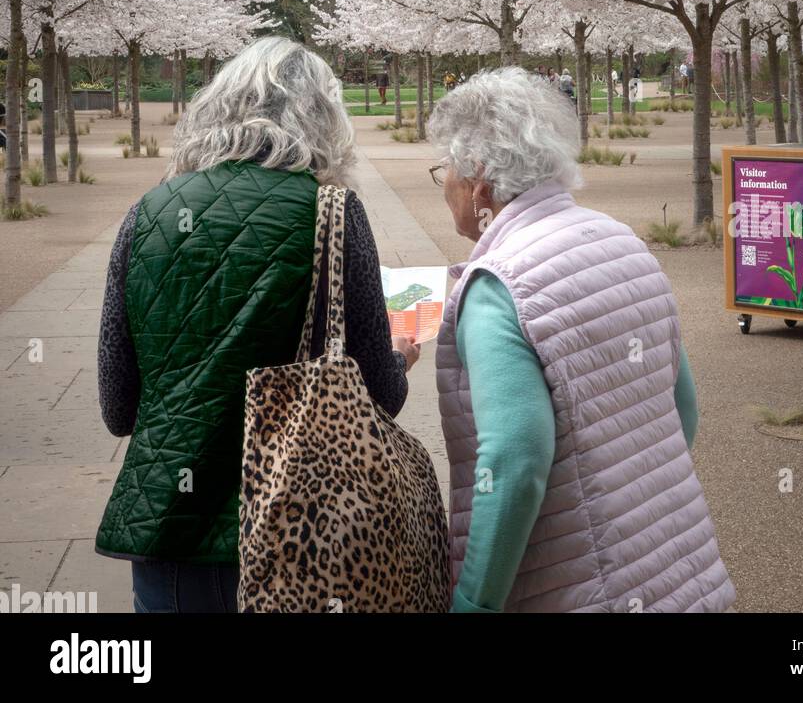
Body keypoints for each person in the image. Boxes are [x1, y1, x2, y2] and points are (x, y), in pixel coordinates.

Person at [95, 36, 420, 614]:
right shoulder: (334, 213)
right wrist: (398, 358)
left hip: (169, 537)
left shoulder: (146, 215)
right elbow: (379, 398)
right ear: (323, 117)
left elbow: (120, 409)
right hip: (305, 541)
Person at [428, 68, 735, 614]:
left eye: (444, 170)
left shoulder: (497, 287)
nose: (443, 184)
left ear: (479, 181)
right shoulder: (622, 241)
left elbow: (516, 461)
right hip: (682, 569)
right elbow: (681, 407)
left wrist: (475, 600)